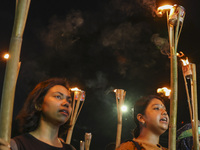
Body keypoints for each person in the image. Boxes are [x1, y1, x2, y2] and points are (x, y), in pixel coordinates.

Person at [0, 78, 76, 150]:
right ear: (38, 104)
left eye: (69, 101)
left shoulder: (70, 149)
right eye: (58, 96)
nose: (66, 103)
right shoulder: (17, 145)